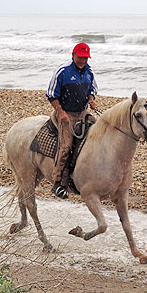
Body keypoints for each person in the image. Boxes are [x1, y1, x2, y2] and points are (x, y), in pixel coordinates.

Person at [46, 42, 98, 199]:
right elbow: (51, 94)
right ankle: (58, 184)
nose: (83, 61)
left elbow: (93, 89)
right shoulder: (63, 71)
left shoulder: (89, 72)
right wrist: (60, 112)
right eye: (80, 57)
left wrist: (91, 99)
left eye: (85, 58)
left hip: (83, 112)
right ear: (73, 55)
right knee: (66, 146)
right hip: (65, 114)